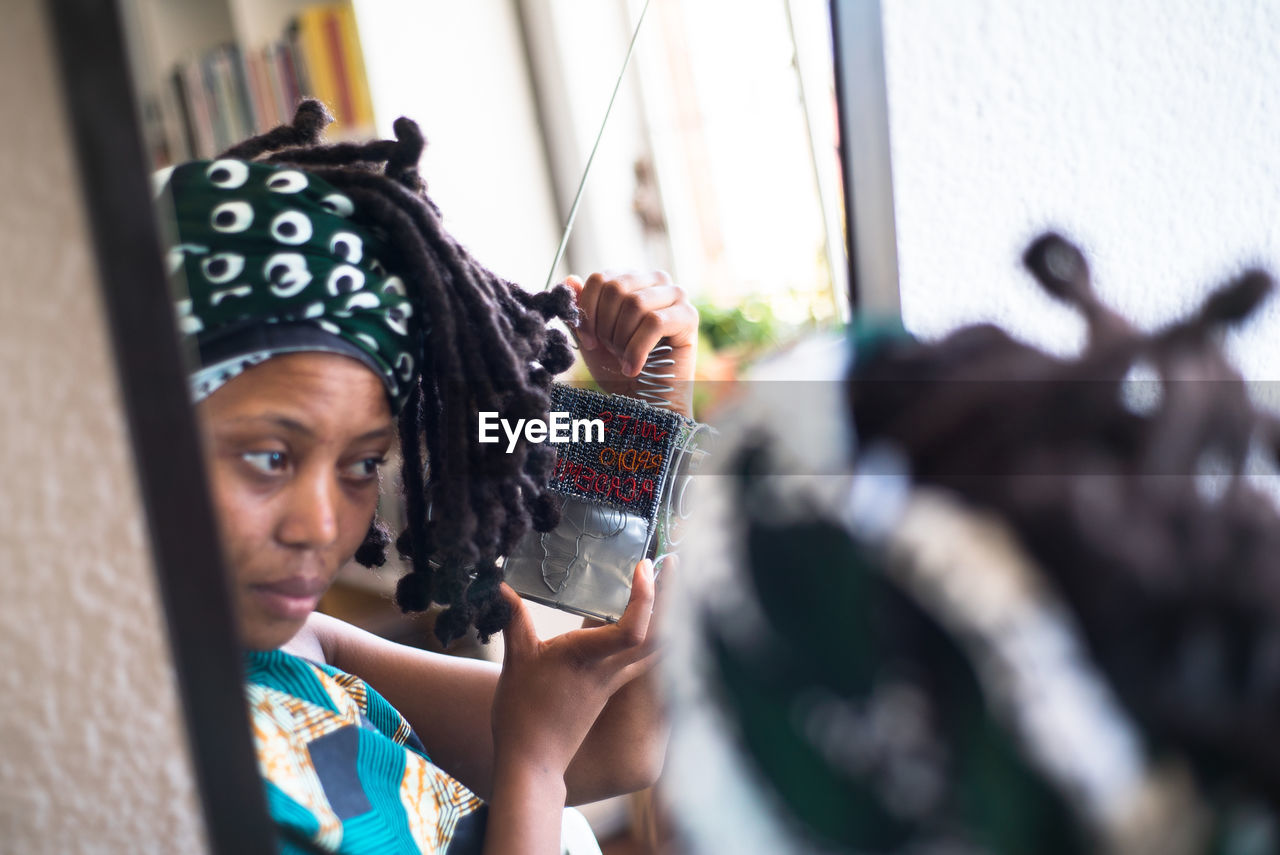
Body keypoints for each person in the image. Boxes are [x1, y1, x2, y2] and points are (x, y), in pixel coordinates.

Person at [156, 100, 698, 854]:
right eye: (270, 456)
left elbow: (615, 741)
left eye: (360, 462)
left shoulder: (289, 654)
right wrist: (531, 767)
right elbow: (559, 753)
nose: (322, 525)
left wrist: (646, 417)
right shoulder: (159, 772)